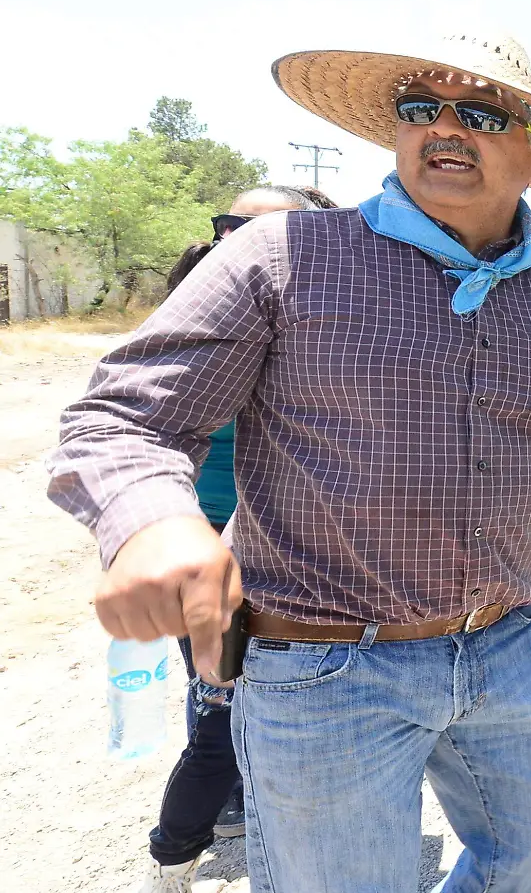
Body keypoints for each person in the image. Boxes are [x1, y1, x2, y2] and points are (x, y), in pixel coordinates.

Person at [47, 33, 531, 893]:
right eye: (418, 108)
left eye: (478, 113)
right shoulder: (282, 258)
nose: (443, 127)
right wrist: (153, 524)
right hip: (325, 667)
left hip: (512, 650)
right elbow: (121, 416)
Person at [126, 187, 323, 893]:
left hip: (281, 547)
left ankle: (234, 807)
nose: (244, 243)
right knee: (226, 705)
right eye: (233, 228)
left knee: (231, 699)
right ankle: (174, 853)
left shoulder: (311, 321)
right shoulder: (204, 324)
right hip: (217, 547)